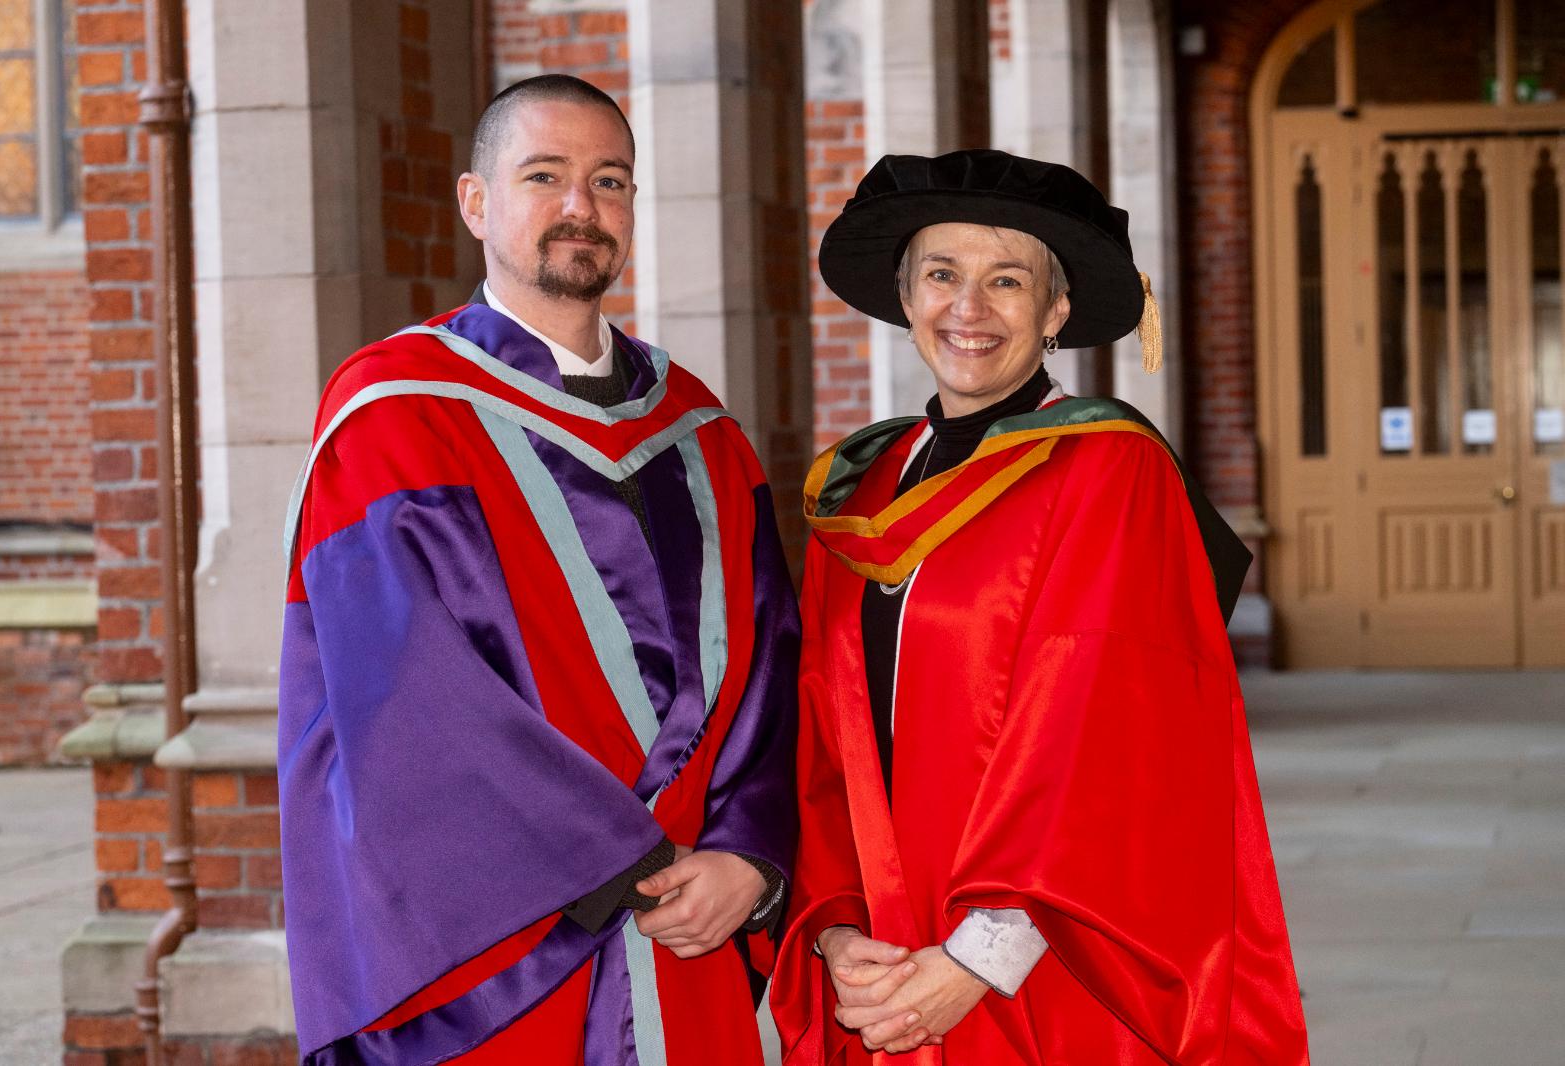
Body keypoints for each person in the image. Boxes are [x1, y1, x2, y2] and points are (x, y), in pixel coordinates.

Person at [277, 75, 798, 1066]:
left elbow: (772, 666)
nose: (580, 207)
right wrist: (631, 862)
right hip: (505, 953)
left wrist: (750, 853)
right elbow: (408, 704)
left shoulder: (702, 430)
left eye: (609, 181)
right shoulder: (396, 415)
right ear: (477, 203)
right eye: (544, 175)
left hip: (694, 926)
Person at [771, 149, 1309, 1064]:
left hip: (1048, 962)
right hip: (885, 963)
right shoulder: (862, 493)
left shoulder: (1109, 471)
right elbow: (822, 733)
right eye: (941, 274)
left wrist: (977, 959)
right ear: (906, 297)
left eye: (1006, 280)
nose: (967, 308)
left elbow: (1114, 736)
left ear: (1055, 312)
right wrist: (834, 927)